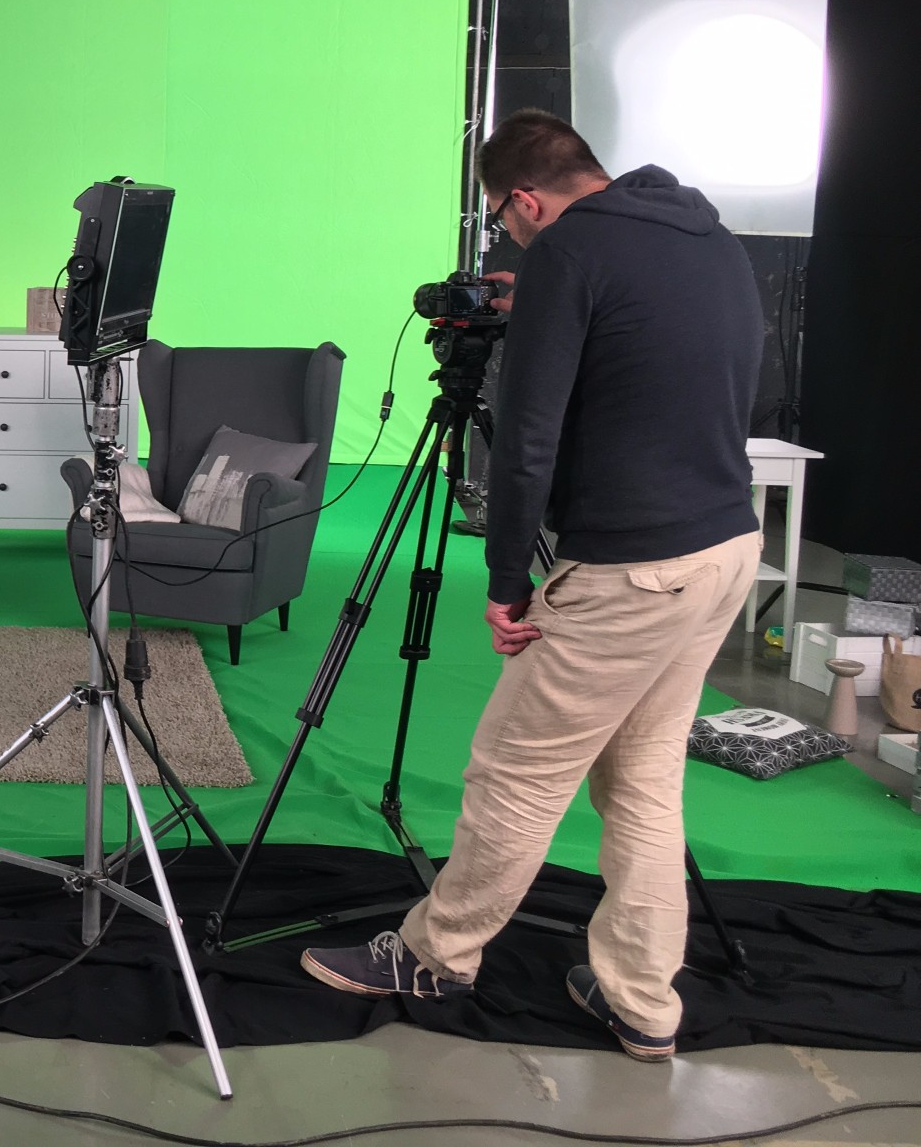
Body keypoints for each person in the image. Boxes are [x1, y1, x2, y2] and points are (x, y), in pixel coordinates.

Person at [298, 110, 764, 1062]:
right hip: (724, 546)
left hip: (633, 569)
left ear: (524, 200)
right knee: (643, 779)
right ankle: (642, 999)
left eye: (505, 223)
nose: (509, 240)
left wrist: (507, 579)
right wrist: (550, 302)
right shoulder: (709, 237)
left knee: (516, 772)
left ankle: (435, 955)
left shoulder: (568, 252)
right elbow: (668, 353)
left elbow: (525, 441)